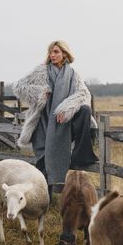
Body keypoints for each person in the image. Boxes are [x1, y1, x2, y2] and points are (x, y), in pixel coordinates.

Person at [13, 40, 98, 201]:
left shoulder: (73, 75)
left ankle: (81, 156)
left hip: (63, 124)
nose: (52, 55)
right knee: (43, 162)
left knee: (85, 110)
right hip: (43, 122)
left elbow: (84, 95)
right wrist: (40, 92)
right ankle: (42, 200)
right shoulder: (42, 71)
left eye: (56, 52)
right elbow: (19, 86)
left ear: (65, 54)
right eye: (51, 52)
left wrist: (65, 109)